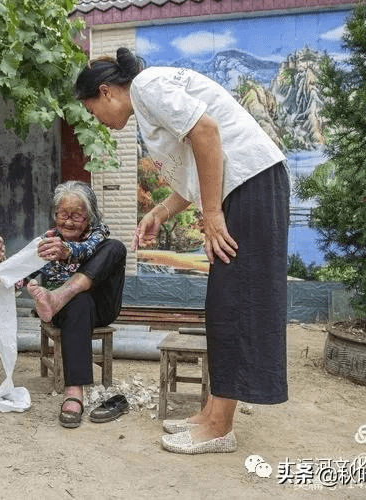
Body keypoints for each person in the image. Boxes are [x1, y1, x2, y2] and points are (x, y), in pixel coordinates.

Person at [74, 48, 289, 454]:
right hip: (246, 186)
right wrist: (160, 210)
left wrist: (212, 214)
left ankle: (220, 428)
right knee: (225, 303)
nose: (96, 121)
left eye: (91, 111)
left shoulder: (147, 86)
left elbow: (206, 133)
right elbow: (196, 165)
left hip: (251, 185)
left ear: (105, 92)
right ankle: (211, 415)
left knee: (237, 302)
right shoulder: (147, 95)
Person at [0, 180, 127, 428]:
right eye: (62, 214)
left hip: (100, 308)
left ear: (89, 218)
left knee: (116, 248)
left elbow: (87, 248)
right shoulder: (46, 242)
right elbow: (17, 278)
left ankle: (60, 295)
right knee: (77, 302)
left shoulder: (98, 235)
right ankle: (74, 392)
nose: (68, 222)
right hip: (65, 314)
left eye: (76, 216)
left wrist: (67, 251)